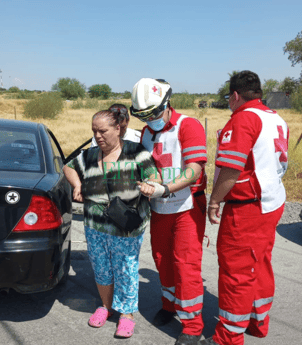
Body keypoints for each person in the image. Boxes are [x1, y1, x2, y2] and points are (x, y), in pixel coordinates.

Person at [200, 71, 289, 345]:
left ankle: (228, 337)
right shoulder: (275, 117)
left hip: (247, 207)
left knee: (235, 269)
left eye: (229, 98)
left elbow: (231, 169)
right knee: (258, 261)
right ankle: (257, 321)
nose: (229, 103)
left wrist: (214, 200)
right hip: (271, 201)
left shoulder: (243, 119)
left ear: (235, 95)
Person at [63, 109, 161, 338]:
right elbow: (68, 166)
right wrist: (77, 184)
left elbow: (154, 176)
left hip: (125, 226)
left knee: (125, 270)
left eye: (103, 131)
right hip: (94, 225)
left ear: (118, 129)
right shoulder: (88, 155)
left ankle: (126, 314)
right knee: (101, 268)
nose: (98, 136)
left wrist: (149, 185)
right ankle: (106, 307)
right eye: (94, 131)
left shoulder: (135, 152)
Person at [130, 78, 208, 345]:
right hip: (160, 207)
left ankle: (192, 325)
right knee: (162, 258)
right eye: (143, 115)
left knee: (185, 264)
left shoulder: (189, 126)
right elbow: (147, 164)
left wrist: (165, 188)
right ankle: (170, 304)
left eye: (153, 113)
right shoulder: (146, 132)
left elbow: (194, 169)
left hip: (186, 206)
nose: (149, 119)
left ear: (166, 104)